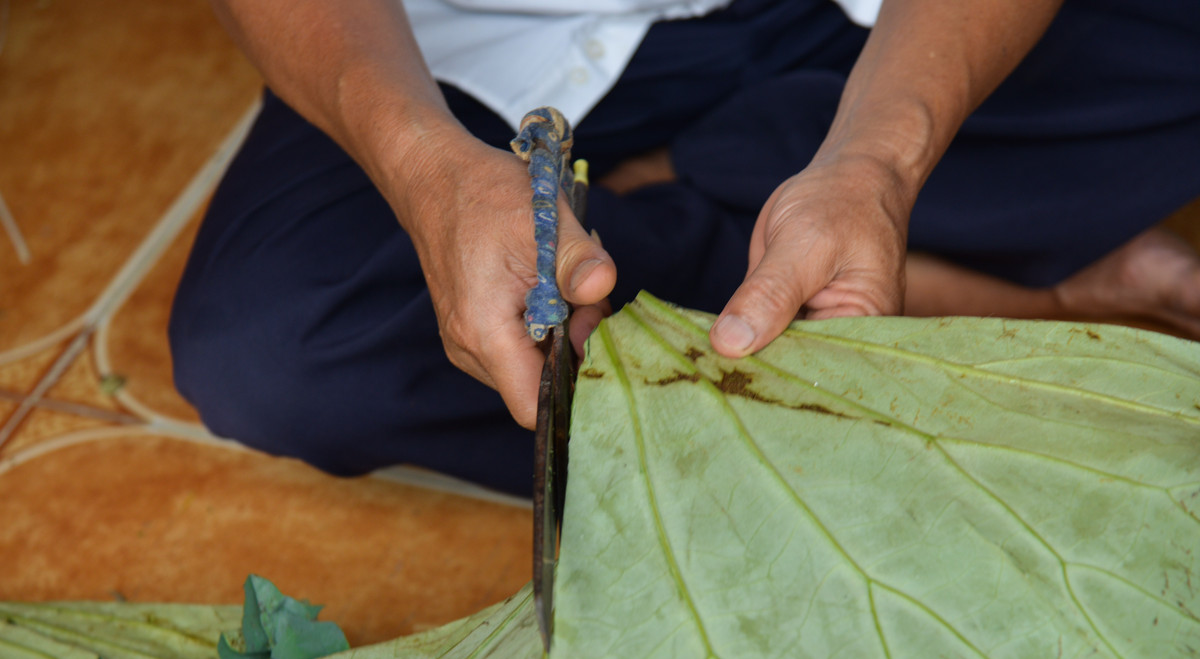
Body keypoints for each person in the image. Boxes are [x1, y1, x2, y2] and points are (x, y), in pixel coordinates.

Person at [170, 0, 1200, 496]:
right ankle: (938, 260)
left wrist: (883, 155)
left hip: (888, 27)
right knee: (274, 350)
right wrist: (427, 171)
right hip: (485, 41)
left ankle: (807, 209)